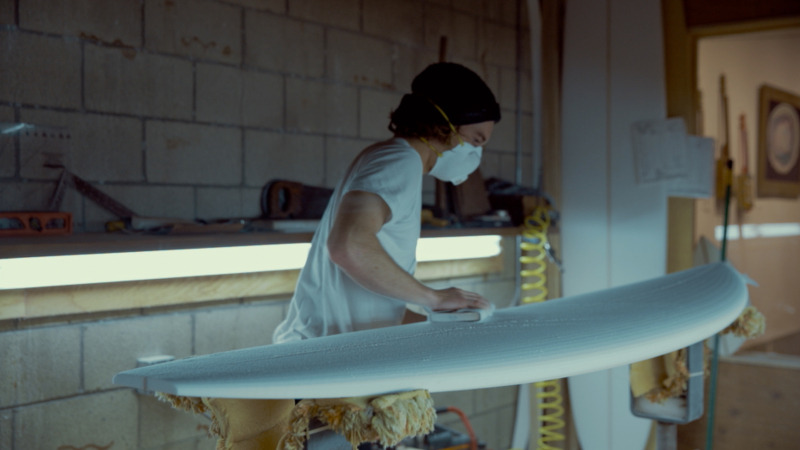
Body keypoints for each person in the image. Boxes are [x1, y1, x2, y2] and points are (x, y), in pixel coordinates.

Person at [273, 62, 501, 343]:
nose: (476, 154)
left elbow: (372, 298)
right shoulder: (399, 162)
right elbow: (347, 246)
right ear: (445, 126)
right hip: (327, 354)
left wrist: (445, 321)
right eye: (475, 141)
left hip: (332, 348)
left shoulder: (389, 157)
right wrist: (433, 298)